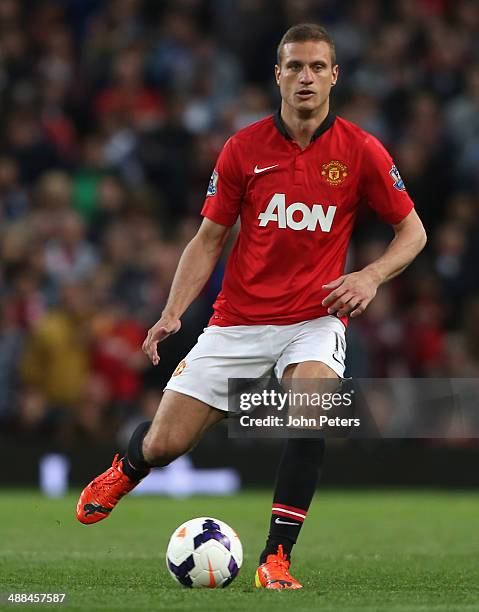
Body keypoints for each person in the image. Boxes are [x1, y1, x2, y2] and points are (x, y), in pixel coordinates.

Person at [76, 23, 427, 589]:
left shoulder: (361, 151)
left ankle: (276, 558)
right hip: (236, 321)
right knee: (165, 443)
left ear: (334, 75)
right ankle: (128, 467)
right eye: (295, 67)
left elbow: (413, 233)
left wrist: (370, 275)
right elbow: (208, 238)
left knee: (311, 410)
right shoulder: (243, 148)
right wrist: (172, 313)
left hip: (313, 319)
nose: (305, 77)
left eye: (317, 67)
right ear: (278, 75)